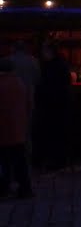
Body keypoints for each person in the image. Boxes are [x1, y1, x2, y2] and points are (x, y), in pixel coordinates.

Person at [34, 40, 72, 170]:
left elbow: (46, 85)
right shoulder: (61, 64)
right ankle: (60, 160)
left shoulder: (50, 66)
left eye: (44, 50)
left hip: (53, 105)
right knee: (60, 134)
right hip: (61, 104)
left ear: (49, 51)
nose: (42, 53)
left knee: (54, 133)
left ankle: (56, 161)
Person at [0, 59, 33, 198]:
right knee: (20, 160)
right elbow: (29, 104)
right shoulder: (19, 83)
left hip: (3, 130)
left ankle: (3, 189)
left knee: (4, 162)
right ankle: (25, 188)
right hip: (18, 129)